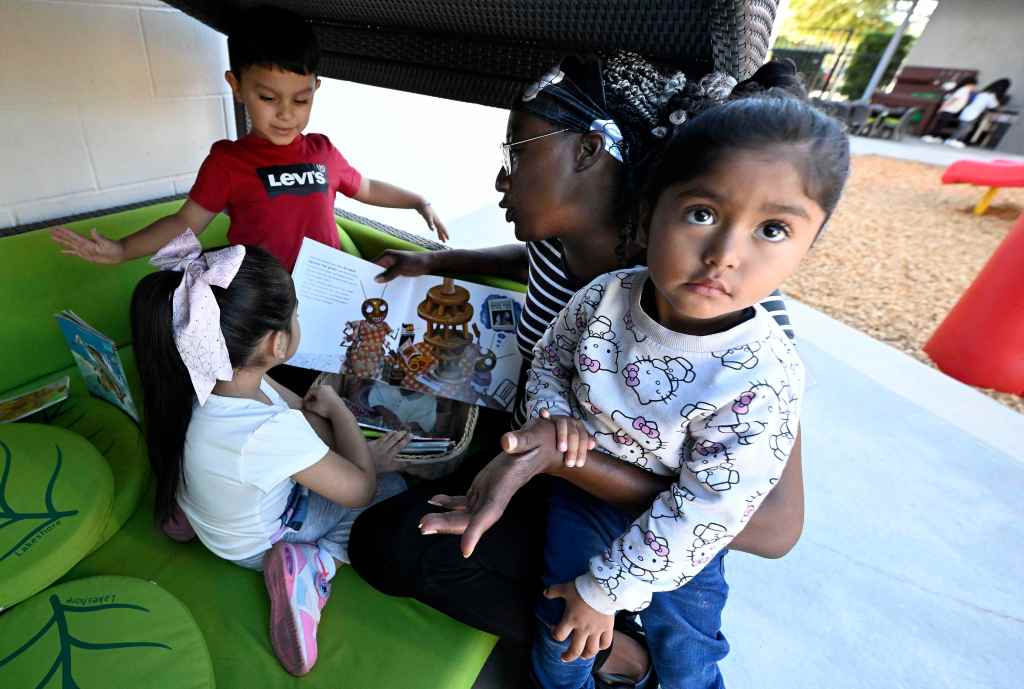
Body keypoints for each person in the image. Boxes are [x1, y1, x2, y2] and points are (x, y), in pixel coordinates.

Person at [349, 54, 808, 681]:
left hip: (646, 521)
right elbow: (530, 274)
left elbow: (776, 528)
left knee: (400, 545)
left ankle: (620, 647)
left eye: (516, 153)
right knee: (390, 500)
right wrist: (439, 261)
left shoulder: (716, 305)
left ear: (589, 150)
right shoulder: (555, 243)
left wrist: (565, 460)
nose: (501, 180)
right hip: (543, 453)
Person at [520, 88, 849, 689]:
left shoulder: (765, 374)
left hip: (687, 528)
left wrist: (606, 591)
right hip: (581, 494)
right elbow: (549, 365)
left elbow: (711, 508)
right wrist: (551, 415)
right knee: (561, 630)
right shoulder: (604, 298)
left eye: (772, 229)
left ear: (809, 247)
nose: (724, 254)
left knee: (688, 650)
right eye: (701, 214)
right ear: (649, 214)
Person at [52, 5, 448, 395]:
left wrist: (418, 200)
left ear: (316, 89)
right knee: (284, 391)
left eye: (301, 100)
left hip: (327, 297)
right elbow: (185, 222)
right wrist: (122, 249)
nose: (286, 114)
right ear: (237, 86)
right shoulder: (228, 162)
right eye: (268, 98)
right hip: (264, 307)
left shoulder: (323, 152)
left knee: (333, 384)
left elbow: (367, 187)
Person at [130, 229, 405, 676]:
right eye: (296, 313)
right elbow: (359, 490)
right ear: (277, 344)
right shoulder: (266, 430)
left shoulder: (196, 380)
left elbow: (299, 416)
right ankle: (314, 565)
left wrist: (323, 425)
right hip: (257, 543)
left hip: (217, 518)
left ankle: (190, 515)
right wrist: (344, 417)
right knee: (390, 488)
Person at [944, 78, 1012, 148]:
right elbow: (994, 106)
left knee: (966, 128)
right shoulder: (990, 96)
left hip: (968, 112)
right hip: (971, 114)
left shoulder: (983, 93)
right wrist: (1000, 109)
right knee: (965, 128)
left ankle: (955, 140)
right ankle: (951, 140)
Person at [922, 76, 977, 142]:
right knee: (940, 124)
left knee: (942, 124)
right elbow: (954, 98)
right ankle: (930, 136)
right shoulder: (963, 90)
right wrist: (943, 107)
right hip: (949, 109)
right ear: (970, 84)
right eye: (974, 86)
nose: (974, 88)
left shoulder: (966, 91)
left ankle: (934, 136)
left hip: (952, 110)